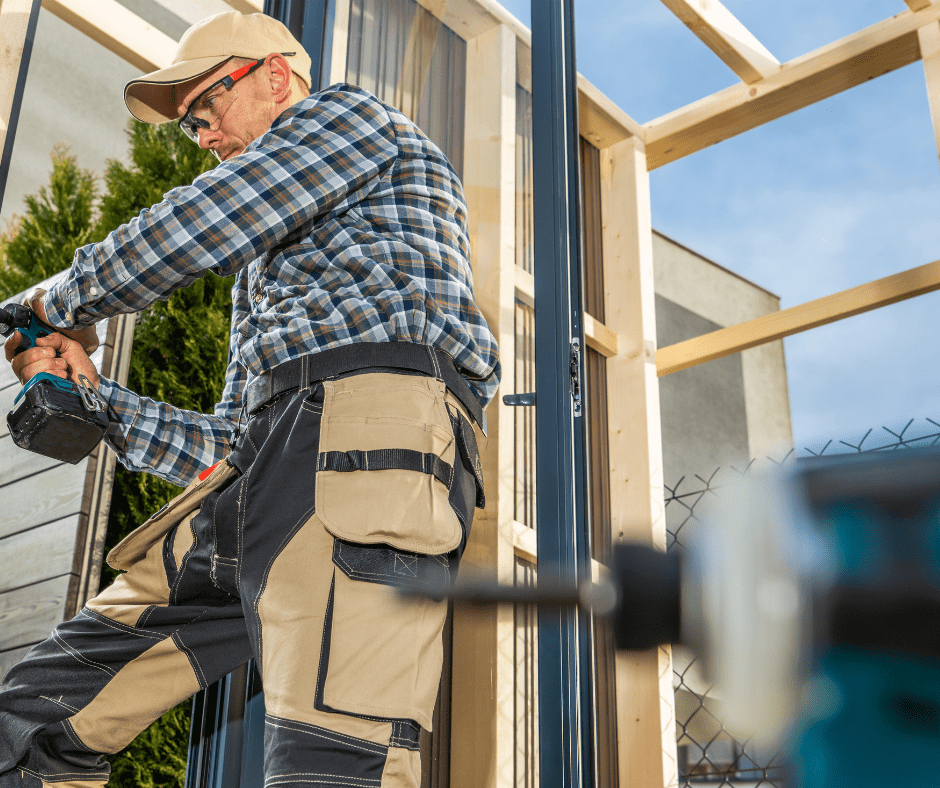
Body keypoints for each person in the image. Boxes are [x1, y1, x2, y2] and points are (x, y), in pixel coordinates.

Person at [0, 10, 498, 788]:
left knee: (331, 766)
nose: (201, 136)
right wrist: (97, 399)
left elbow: (203, 220)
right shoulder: (264, 273)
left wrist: (54, 302)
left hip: (370, 442)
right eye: (189, 125)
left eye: (206, 108)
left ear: (273, 74)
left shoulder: (349, 120)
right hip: (263, 472)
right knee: (33, 722)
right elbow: (228, 443)